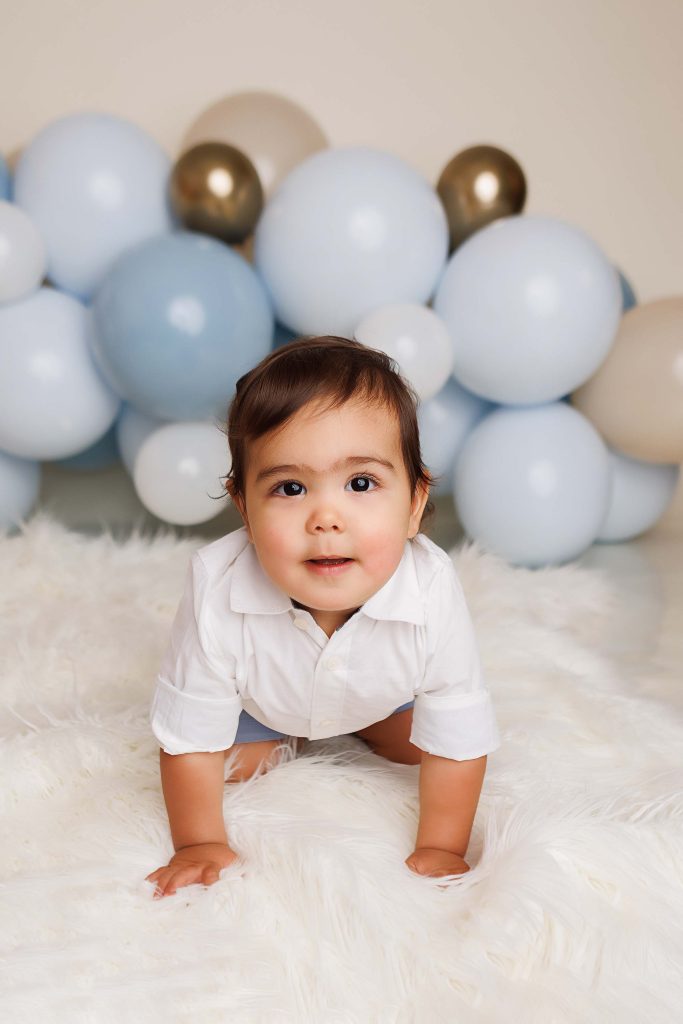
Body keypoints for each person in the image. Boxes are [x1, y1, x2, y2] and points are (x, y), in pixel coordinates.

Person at [145, 336, 500, 900]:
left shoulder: (432, 587)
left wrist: (442, 846)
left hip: (379, 694)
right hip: (264, 704)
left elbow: (459, 732)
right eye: (290, 487)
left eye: (361, 484)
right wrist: (198, 842)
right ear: (245, 508)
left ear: (413, 503)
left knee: (425, 750)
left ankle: (361, 722)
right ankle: (293, 735)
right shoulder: (216, 585)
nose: (326, 518)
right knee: (235, 766)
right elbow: (188, 737)